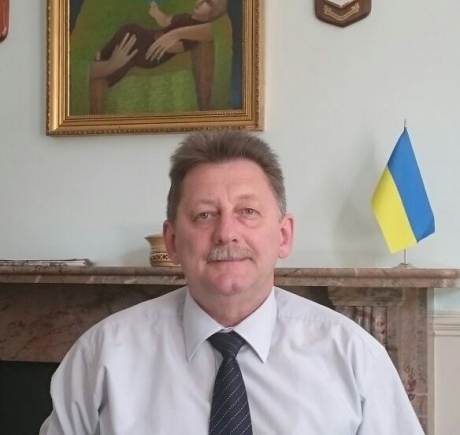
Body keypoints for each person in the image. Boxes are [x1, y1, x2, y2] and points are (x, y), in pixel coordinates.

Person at [39, 131, 424, 434]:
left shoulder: (354, 357)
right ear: (172, 242)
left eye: (248, 211)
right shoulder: (102, 355)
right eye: (205, 215)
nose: (226, 232)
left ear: (284, 235)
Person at [89, 0, 228, 113]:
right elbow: (166, 21)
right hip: (152, 38)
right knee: (129, 30)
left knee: (131, 43)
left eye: (208, 2)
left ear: (212, 13)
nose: (200, 1)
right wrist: (156, 13)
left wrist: (163, 39)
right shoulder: (185, 17)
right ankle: (106, 61)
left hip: (154, 53)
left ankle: (107, 67)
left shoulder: (194, 35)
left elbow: (177, 48)